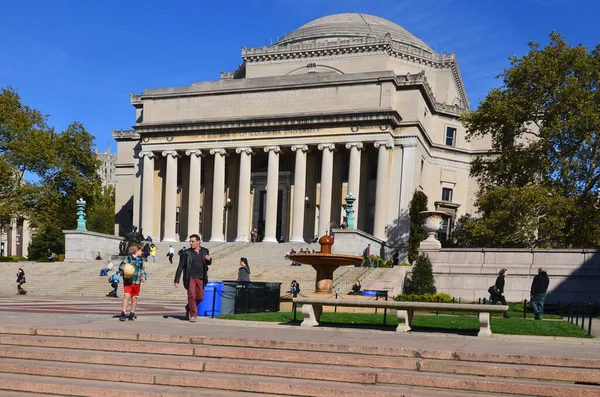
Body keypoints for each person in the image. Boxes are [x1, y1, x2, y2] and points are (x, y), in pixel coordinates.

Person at [174, 234, 212, 323]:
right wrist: (176, 279)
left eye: (193, 241)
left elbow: (208, 263)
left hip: (201, 277)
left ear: (198, 242)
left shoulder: (205, 251)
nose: (191, 243)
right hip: (190, 277)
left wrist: (209, 259)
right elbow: (180, 266)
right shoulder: (186, 253)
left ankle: (189, 307)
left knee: (200, 297)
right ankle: (193, 315)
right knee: (191, 296)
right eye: (190, 241)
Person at [118, 244, 147, 321]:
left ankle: (132, 313)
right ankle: (123, 312)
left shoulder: (141, 260)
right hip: (129, 280)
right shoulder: (128, 258)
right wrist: (127, 270)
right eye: (141, 250)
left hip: (137, 281)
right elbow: (121, 266)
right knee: (127, 295)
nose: (142, 252)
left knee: (134, 297)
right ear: (136, 251)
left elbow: (143, 269)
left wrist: (144, 276)